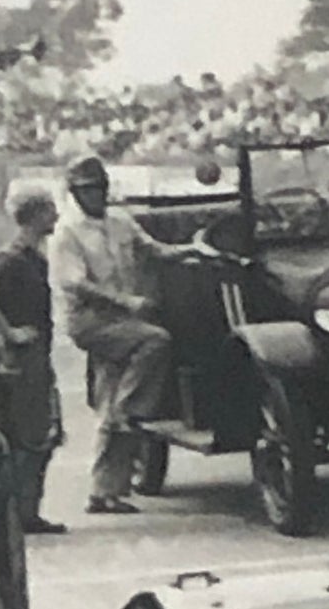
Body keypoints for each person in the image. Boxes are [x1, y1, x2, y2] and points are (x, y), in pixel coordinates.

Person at [52, 154, 213, 514]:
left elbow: (155, 251)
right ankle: (134, 407)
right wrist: (127, 302)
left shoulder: (121, 221)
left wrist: (194, 248)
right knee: (155, 341)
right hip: (92, 321)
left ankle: (104, 491)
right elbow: (75, 284)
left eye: (99, 188)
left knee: (110, 407)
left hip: (123, 319)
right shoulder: (67, 232)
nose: (95, 195)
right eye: (87, 190)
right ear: (75, 193)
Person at [0, 188, 65, 535]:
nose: (56, 216)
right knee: (30, 437)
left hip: (37, 354)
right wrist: (9, 333)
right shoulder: (11, 260)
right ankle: (21, 514)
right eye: (50, 210)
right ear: (35, 215)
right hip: (22, 359)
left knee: (41, 435)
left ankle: (28, 512)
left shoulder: (31, 257)